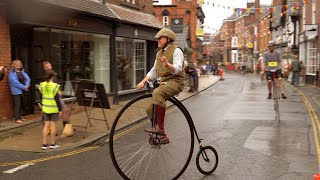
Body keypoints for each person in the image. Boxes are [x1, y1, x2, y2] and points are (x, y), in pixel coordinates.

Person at [136, 28, 185, 144]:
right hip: (164, 83)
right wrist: (143, 81)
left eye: (160, 38)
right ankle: (162, 136)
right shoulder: (159, 53)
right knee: (150, 109)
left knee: (157, 93)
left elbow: (178, 69)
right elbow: (154, 70)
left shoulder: (176, 51)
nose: (157, 40)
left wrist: (167, 65)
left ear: (168, 39)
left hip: (176, 82)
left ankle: (160, 129)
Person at [42, 61, 69, 127]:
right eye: (47, 67)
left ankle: (66, 126)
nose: (49, 67)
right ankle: (51, 128)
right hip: (52, 97)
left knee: (64, 110)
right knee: (56, 112)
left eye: (49, 66)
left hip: (56, 96)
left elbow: (57, 83)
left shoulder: (53, 73)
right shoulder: (44, 76)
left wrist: (60, 90)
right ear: (44, 68)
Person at [39, 70, 61, 150]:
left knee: (46, 126)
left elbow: (41, 97)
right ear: (53, 76)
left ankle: (44, 144)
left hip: (45, 108)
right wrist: (60, 109)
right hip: (53, 108)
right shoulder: (55, 86)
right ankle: (53, 143)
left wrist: (42, 105)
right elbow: (57, 99)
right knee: (53, 126)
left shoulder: (42, 85)